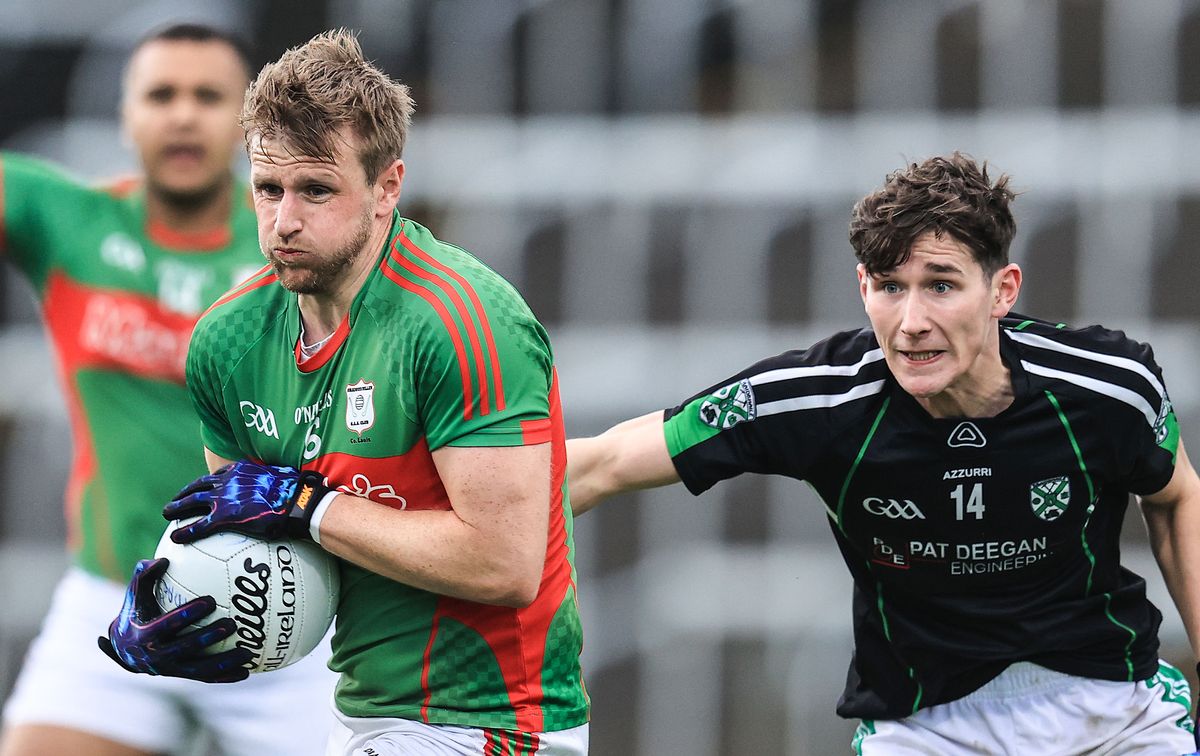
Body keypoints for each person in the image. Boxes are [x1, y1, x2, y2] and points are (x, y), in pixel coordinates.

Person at [567, 153, 1200, 754]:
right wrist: (480, 498)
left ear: (1002, 290)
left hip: (1116, 713)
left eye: (941, 285)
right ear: (863, 285)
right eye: (891, 287)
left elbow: (1175, 497)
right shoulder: (816, 400)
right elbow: (602, 465)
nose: (911, 321)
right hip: (925, 727)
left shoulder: (1107, 386)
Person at [99, 29, 590, 756]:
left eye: (317, 190)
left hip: (493, 726)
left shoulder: (464, 322)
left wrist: (310, 504)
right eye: (268, 189)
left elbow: (505, 564)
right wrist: (177, 618)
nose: (284, 221)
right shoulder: (228, 344)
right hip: (360, 716)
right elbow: (268, 562)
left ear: (388, 185)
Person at [0, 23, 336, 756]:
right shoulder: (72, 226)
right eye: (161, 94)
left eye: (208, 96)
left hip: (290, 617)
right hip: (114, 598)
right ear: (124, 115)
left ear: (253, 125)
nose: (183, 114)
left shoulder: (311, 249)